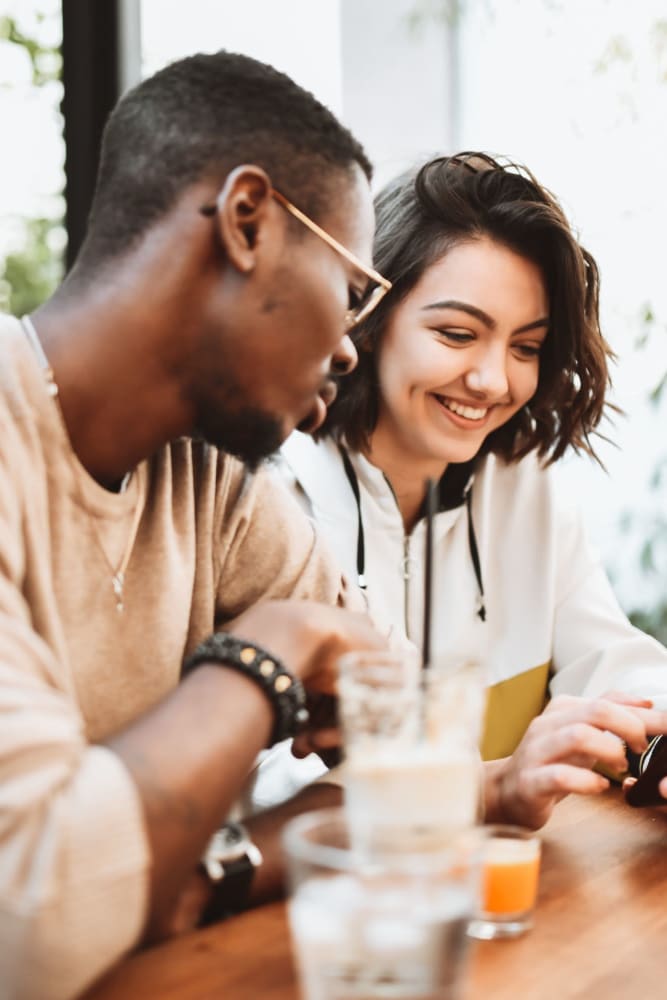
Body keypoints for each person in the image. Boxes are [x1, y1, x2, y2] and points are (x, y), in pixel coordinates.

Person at [0, 50, 394, 998]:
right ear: (247, 219)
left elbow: (388, 732)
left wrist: (209, 868)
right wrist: (268, 652)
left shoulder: (209, 474)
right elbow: (30, 924)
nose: (348, 346)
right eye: (351, 291)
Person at [278, 151, 667, 830]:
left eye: (525, 347)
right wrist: (490, 783)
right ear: (368, 319)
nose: (492, 381)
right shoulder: (270, 502)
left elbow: (611, 662)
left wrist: (654, 726)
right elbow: (261, 783)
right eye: (457, 334)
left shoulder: (526, 492)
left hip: (510, 900)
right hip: (319, 901)